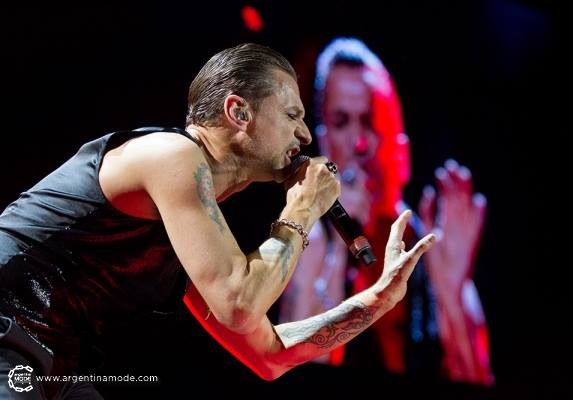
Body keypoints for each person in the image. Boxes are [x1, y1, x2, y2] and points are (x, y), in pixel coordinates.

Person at [0, 43, 436, 399]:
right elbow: (239, 302)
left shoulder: (191, 219)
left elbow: (269, 355)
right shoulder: (171, 156)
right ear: (238, 112)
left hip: (55, 363)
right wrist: (303, 206)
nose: (305, 136)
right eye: (292, 115)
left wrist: (378, 299)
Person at [279, 37, 494, 385]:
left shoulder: (433, 255)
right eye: (342, 122)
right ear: (325, 141)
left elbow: (478, 379)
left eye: (371, 121)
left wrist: (453, 297)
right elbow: (292, 370)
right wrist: (339, 249)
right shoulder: (312, 244)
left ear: (400, 147)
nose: (359, 143)